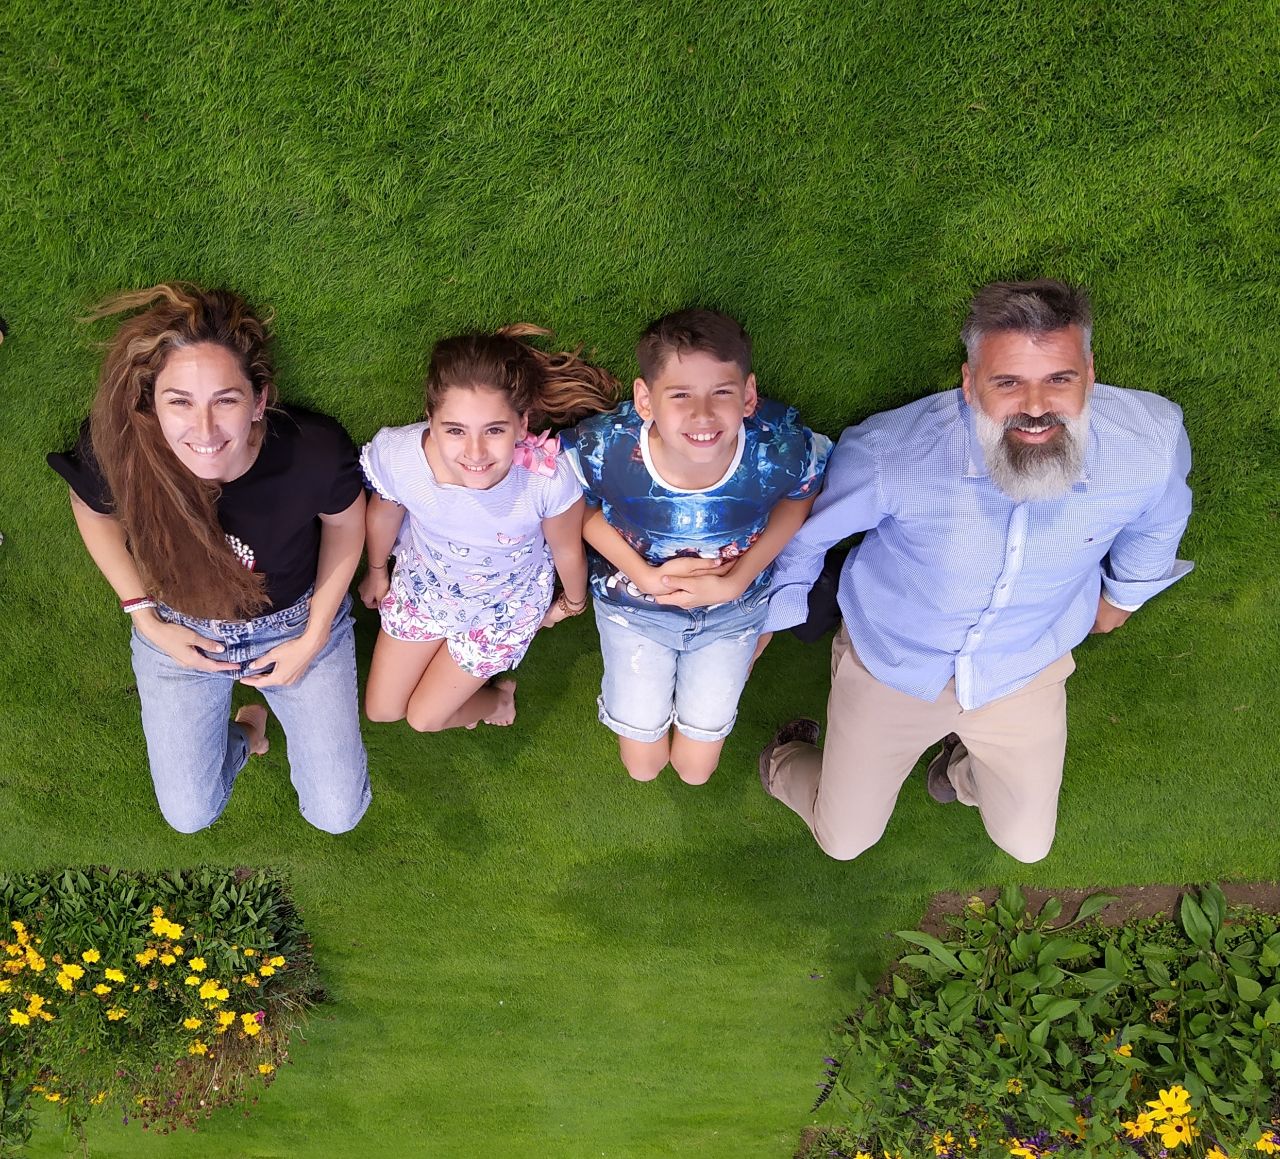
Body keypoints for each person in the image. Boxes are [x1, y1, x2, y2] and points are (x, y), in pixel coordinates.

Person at [758, 279, 1193, 863]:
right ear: (969, 383)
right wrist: (776, 615)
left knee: (1028, 846)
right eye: (1008, 382)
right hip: (894, 663)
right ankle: (785, 760)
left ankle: (959, 770)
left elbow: (1160, 521)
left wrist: (1125, 596)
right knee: (844, 841)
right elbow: (808, 533)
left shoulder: (1150, 441)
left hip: (1022, 667)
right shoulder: (896, 451)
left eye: (1058, 379)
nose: (1035, 407)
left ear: (1089, 373)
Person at [48, 283, 370, 834]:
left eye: (226, 400)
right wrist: (145, 616)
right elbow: (91, 508)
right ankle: (248, 733)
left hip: (295, 623)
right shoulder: (123, 446)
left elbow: (346, 524)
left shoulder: (311, 450)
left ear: (260, 399)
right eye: (179, 402)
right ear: (150, 402)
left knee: (337, 814)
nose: (203, 431)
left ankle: (271, 701)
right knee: (189, 815)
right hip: (177, 628)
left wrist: (314, 636)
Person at [561, 308, 831, 785]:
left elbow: (800, 495)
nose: (703, 414)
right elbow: (573, 509)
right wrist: (643, 575)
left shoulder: (779, 447)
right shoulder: (605, 448)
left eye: (721, 392)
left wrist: (737, 582)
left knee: (695, 771)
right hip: (635, 607)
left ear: (748, 395)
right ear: (645, 399)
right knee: (643, 769)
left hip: (734, 608)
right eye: (680, 394)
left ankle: (752, 640)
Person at [358, 325, 616, 731]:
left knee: (424, 720)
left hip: (501, 609)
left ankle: (497, 701)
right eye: (455, 430)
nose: (475, 453)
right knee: (383, 710)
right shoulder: (400, 455)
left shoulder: (545, 480)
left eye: (494, 430)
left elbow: (567, 550)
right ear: (431, 419)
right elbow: (383, 511)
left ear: (522, 423)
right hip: (424, 587)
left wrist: (573, 603)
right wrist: (376, 571)